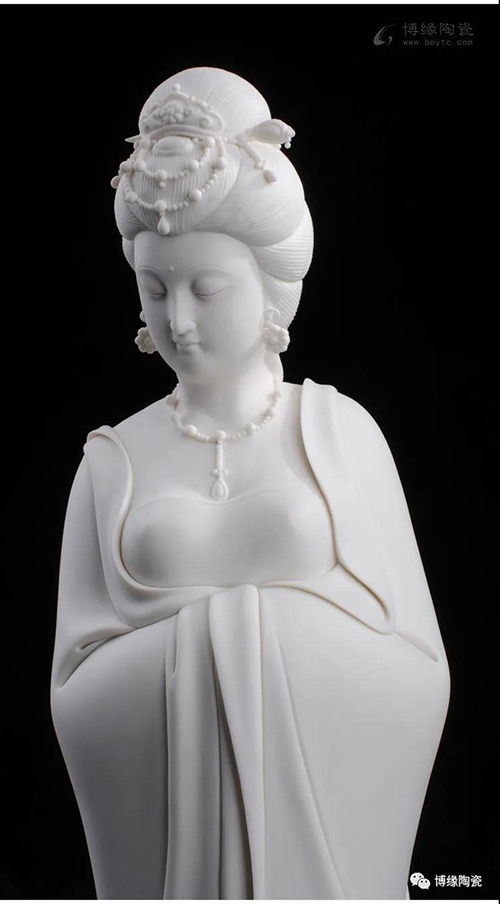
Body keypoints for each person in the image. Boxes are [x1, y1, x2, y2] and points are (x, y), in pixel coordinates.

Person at [51, 67, 450, 900]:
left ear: (269, 285)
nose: (179, 320)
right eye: (155, 289)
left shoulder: (341, 434)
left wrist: (258, 639)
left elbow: (418, 672)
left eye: (207, 288)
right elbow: (75, 697)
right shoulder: (111, 462)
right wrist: (221, 646)